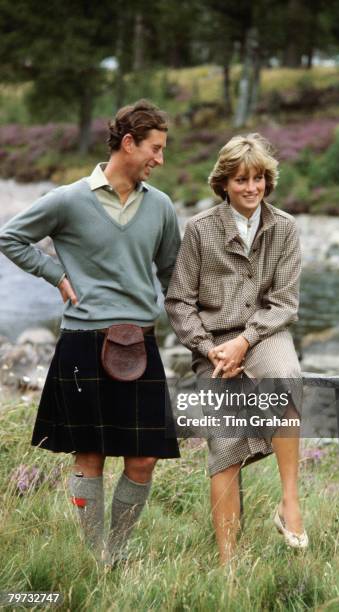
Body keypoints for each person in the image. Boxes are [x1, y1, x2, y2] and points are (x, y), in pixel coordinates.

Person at [0, 99, 181, 565]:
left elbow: (171, 273)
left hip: (139, 340)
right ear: (128, 143)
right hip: (83, 341)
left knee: (143, 458)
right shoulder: (69, 199)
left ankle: (115, 551)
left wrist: (194, 330)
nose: (160, 159)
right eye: (155, 149)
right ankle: (94, 555)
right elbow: (10, 237)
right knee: (90, 456)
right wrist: (56, 275)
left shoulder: (160, 207)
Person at [165, 133, 307, 565]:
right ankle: (229, 564)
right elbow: (179, 302)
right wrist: (210, 350)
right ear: (223, 183)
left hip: (264, 333)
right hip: (214, 348)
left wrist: (246, 341)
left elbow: (285, 303)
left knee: (287, 378)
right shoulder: (200, 230)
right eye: (242, 179)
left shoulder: (283, 228)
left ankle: (289, 503)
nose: (252, 188)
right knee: (224, 446)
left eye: (259, 178)